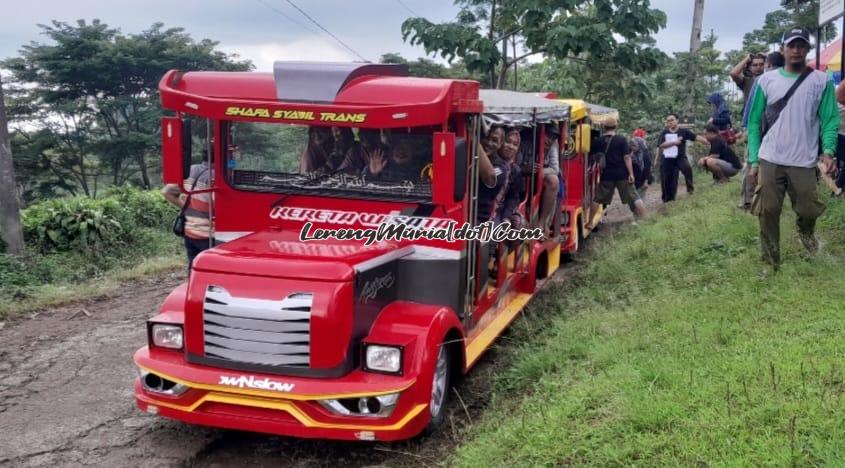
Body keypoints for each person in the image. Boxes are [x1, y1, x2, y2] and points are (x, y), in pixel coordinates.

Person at [746, 27, 838, 270]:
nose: (796, 50)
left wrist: (828, 151)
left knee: (808, 209)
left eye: (801, 46)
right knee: (768, 210)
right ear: (782, 49)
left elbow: (829, 119)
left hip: (804, 159)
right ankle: (770, 262)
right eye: (791, 45)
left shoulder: (822, 81)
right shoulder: (765, 81)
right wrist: (754, 160)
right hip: (770, 157)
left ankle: (806, 235)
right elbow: (754, 122)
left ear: (807, 49)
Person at [738, 51, 786, 210]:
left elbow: (750, 111)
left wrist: (746, 128)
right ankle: (765, 202)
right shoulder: (791, 78)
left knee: (753, 164)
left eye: (762, 64)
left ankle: (750, 202)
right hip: (779, 134)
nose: (759, 67)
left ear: (767, 65)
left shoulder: (761, 80)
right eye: (755, 64)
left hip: (759, 131)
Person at [587, 117, 645, 227]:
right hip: (622, 174)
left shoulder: (598, 141)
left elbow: (592, 156)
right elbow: (627, 157)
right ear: (616, 126)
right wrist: (631, 174)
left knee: (597, 199)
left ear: (604, 127)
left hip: (607, 174)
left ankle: (590, 223)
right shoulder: (621, 139)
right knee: (635, 197)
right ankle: (645, 220)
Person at [162, 149, 212, 270]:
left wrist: (186, 207)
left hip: (189, 231)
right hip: (208, 235)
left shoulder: (190, 170)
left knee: (194, 269)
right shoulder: (216, 177)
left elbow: (166, 192)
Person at [657, 113, 709, 202]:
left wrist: (707, 142)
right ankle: (668, 199)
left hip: (680, 157)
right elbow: (661, 145)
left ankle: (690, 191)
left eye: (672, 120)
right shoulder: (664, 132)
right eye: (668, 121)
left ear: (677, 120)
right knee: (667, 178)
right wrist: (674, 142)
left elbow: (695, 137)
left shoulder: (684, 131)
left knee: (687, 169)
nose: (670, 122)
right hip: (668, 159)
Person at [477, 126, 510, 224]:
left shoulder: (502, 167)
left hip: (481, 219)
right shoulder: (468, 154)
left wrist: (474, 141)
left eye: (494, 140)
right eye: (486, 138)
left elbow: (489, 176)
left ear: (500, 144)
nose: (489, 143)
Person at [497, 128, 524, 228]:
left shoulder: (515, 170)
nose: (510, 147)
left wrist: (506, 217)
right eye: (508, 142)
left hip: (501, 210)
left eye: (515, 144)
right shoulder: (491, 162)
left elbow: (512, 197)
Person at [538, 125, 561, 237]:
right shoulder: (529, 140)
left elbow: (555, 168)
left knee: (554, 182)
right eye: (548, 136)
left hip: (544, 174)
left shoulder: (553, 144)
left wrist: (540, 172)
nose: (550, 140)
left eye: (553, 137)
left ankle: (544, 223)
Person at [628, 128, 654, 213]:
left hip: (642, 180)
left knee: (640, 200)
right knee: (632, 202)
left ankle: (639, 220)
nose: (633, 148)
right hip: (633, 181)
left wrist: (646, 181)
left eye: (634, 146)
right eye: (631, 146)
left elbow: (647, 169)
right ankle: (638, 217)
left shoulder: (645, 155)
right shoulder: (630, 154)